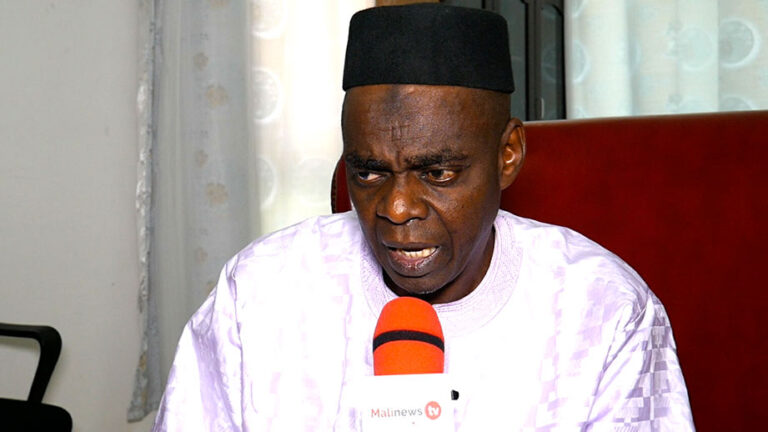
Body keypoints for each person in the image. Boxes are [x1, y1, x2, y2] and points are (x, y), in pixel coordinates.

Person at [153, 4, 694, 431]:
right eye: (368, 173)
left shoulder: (603, 311)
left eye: (437, 173)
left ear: (507, 155)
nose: (396, 208)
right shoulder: (259, 294)